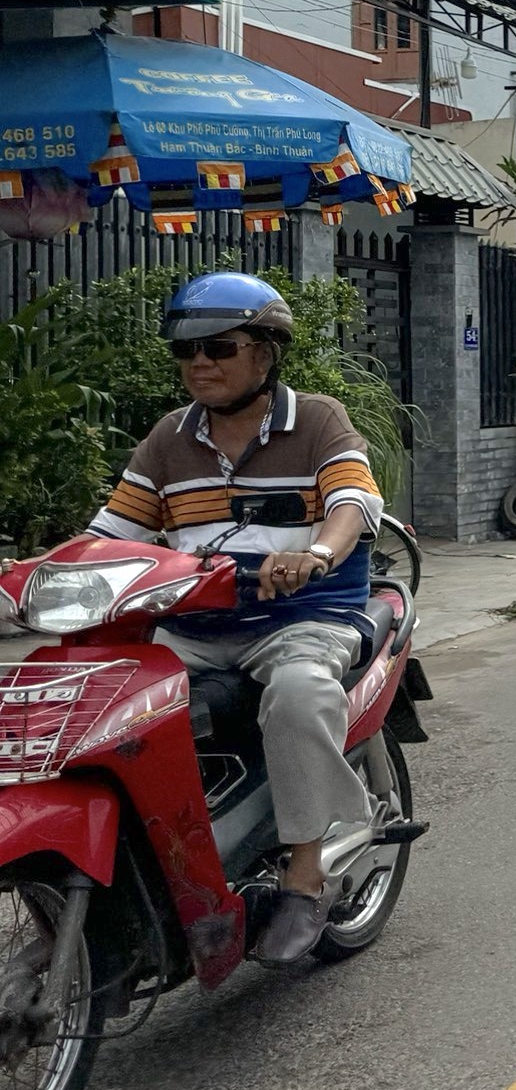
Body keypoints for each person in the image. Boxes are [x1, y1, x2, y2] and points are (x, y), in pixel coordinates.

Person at [84, 272, 385, 965]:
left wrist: (316, 552)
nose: (200, 364)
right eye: (185, 352)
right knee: (100, 699)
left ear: (265, 352)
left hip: (300, 619)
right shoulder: (169, 439)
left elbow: (352, 505)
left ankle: (306, 875)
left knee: (301, 693)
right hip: (194, 628)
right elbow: (110, 534)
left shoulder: (316, 419)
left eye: (219, 347)